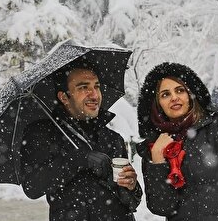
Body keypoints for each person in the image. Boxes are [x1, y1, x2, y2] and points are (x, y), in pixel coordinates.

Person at [136, 50, 218, 220]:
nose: (174, 98)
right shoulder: (155, 147)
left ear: (191, 95)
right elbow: (162, 206)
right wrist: (157, 160)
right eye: (165, 94)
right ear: (157, 104)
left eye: (180, 90)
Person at [20, 60, 142, 221]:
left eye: (96, 86)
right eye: (84, 87)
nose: (94, 94)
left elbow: (132, 203)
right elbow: (32, 187)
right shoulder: (43, 134)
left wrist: (131, 187)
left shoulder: (112, 139)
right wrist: (79, 159)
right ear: (64, 97)